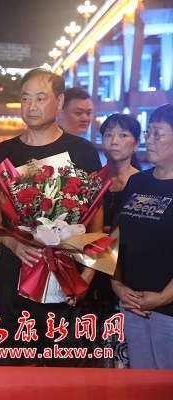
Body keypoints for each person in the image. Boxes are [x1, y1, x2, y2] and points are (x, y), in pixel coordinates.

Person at [0, 68, 103, 367]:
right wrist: (11, 242)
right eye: (25, 99)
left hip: (67, 283)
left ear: (59, 101)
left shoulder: (82, 151)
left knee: (66, 375)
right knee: (16, 374)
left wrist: (87, 277)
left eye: (40, 98)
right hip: (14, 281)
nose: (31, 106)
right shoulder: (2, 154)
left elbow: (96, 221)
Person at [112, 103, 173, 369]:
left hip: (168, 310)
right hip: (132, 304)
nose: (150, 139)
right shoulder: (137, 182)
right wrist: (117, 285)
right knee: (140, 383)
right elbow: (117, 238)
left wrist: (162, 298)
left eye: (158, 133)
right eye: (149, 132)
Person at [84, 113, 140, 368]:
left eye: (123, 135)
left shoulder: (143, 184)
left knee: (122, 353)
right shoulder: (90, 183)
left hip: (125, 273)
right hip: (91, 269)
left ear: (136, 143)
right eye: (108, 134)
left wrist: (103, 232)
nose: (114, 140)